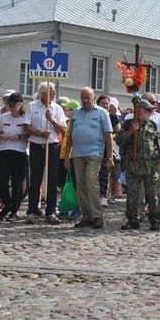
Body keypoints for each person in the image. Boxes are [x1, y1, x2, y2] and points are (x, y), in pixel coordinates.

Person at [115, 99, 160, 230]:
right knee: (133, 193)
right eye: (149, 110)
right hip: (133, 165)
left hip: (150, 165)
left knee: (153, 193)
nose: (151, 113)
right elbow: (119, 140)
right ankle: (132, 219)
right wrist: (130, 132)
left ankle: (155, 219)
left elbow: (159, 142)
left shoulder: (152, 125)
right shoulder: (129, 124)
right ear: (141, 111)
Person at [66, 87, 113, 229]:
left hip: (94, 152)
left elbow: (109, 136)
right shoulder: (76, 113)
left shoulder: (102, 113)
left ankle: (97, 216)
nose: (86, 101)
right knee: (80, 185)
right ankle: (86, 216)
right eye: (83, 98)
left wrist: (109, 157)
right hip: (78, 154)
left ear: (93, 98)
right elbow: (70, 136)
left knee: (91, 181)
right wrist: (68, 154)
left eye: (88, 98)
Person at [23, 82, 67, 225]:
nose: (54, 93)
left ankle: (51, 211)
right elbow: (26, 127)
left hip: (53, 146)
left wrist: (52, 121)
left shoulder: (58, 108)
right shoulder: (32, 106)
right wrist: (40, 134)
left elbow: (64, 130)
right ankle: (32, 210)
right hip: (37, 145)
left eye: (54, 91)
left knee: (52, 179)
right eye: (51, 91)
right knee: (35, 178)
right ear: (43, 93)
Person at [0, 92, 29, 220]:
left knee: (17, 183)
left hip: (19, 151)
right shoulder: (4, 117)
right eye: (9, 104)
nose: (11, 107)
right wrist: (1, 135)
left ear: (20, 104)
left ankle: (14, 209)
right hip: (3, 150)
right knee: (0, 181)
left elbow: (29, 135)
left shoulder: (25, 117)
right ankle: (7, 204)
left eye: (14, 105)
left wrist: (19, 137)